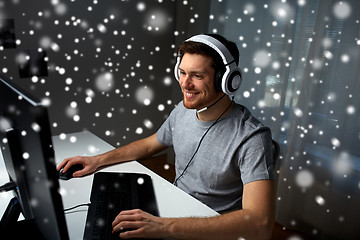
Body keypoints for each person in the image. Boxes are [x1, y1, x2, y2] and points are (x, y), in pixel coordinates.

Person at [57, 34, 275, 240]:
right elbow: (150, 144)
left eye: (197, 76)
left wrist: (164, 226)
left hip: (209, 230)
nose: (184, 83)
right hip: (174, 211)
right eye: (182, 72)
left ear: (226, 80)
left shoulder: (252, 138)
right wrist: (96, 160)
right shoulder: (183, 110)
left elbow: (260, 223)